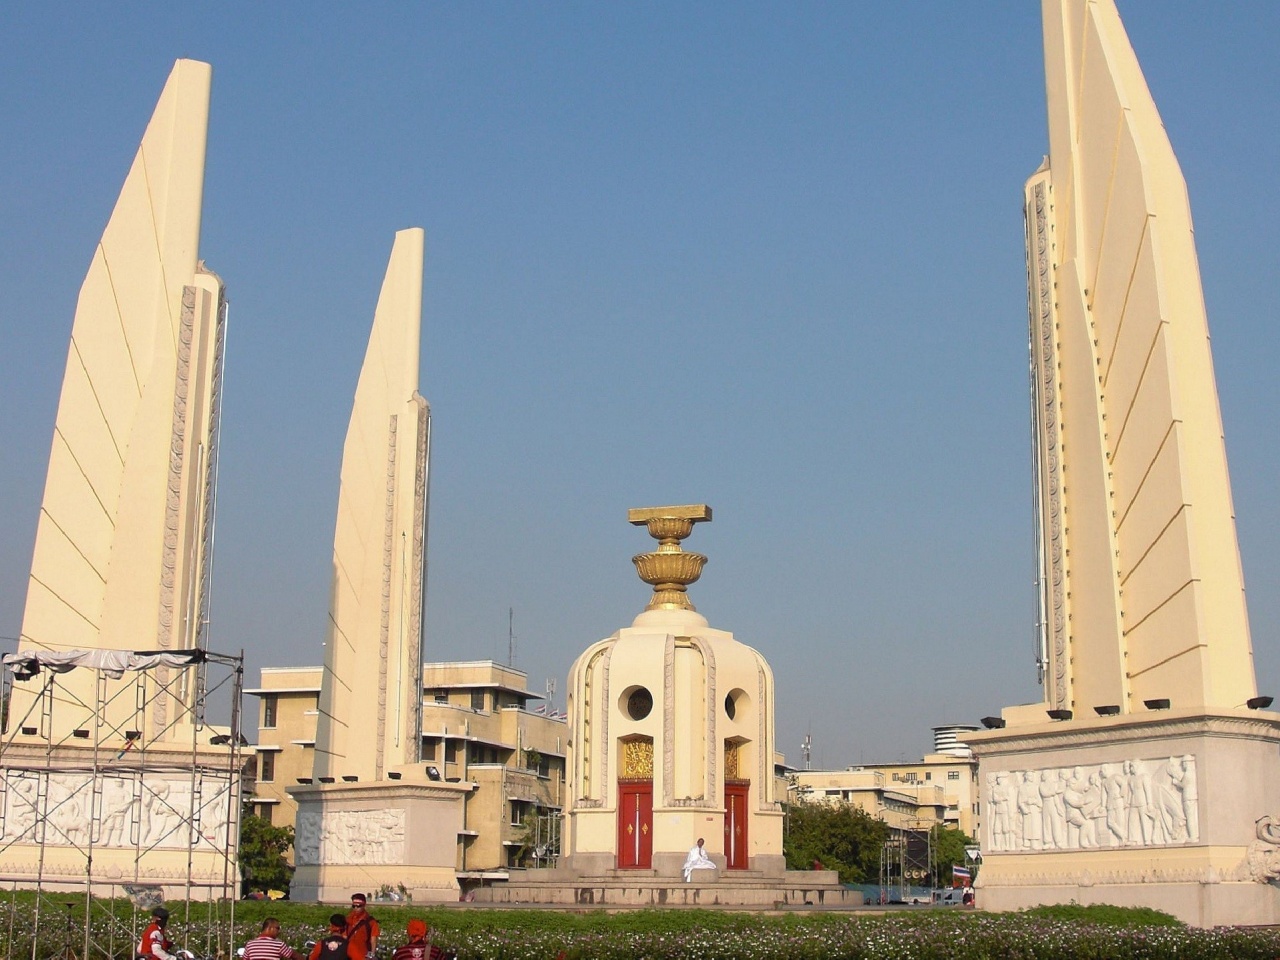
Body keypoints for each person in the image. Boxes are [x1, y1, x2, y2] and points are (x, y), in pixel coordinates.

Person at [345, 893, 380, 960]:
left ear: (364, 905)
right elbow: (344, 937)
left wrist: (372, 955)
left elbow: (373, 939)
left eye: (358, 906)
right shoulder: (348, 920)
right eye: (354, 906)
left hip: (363, 955)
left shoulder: (371, 922)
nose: (356, 908)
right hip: (349, 955)